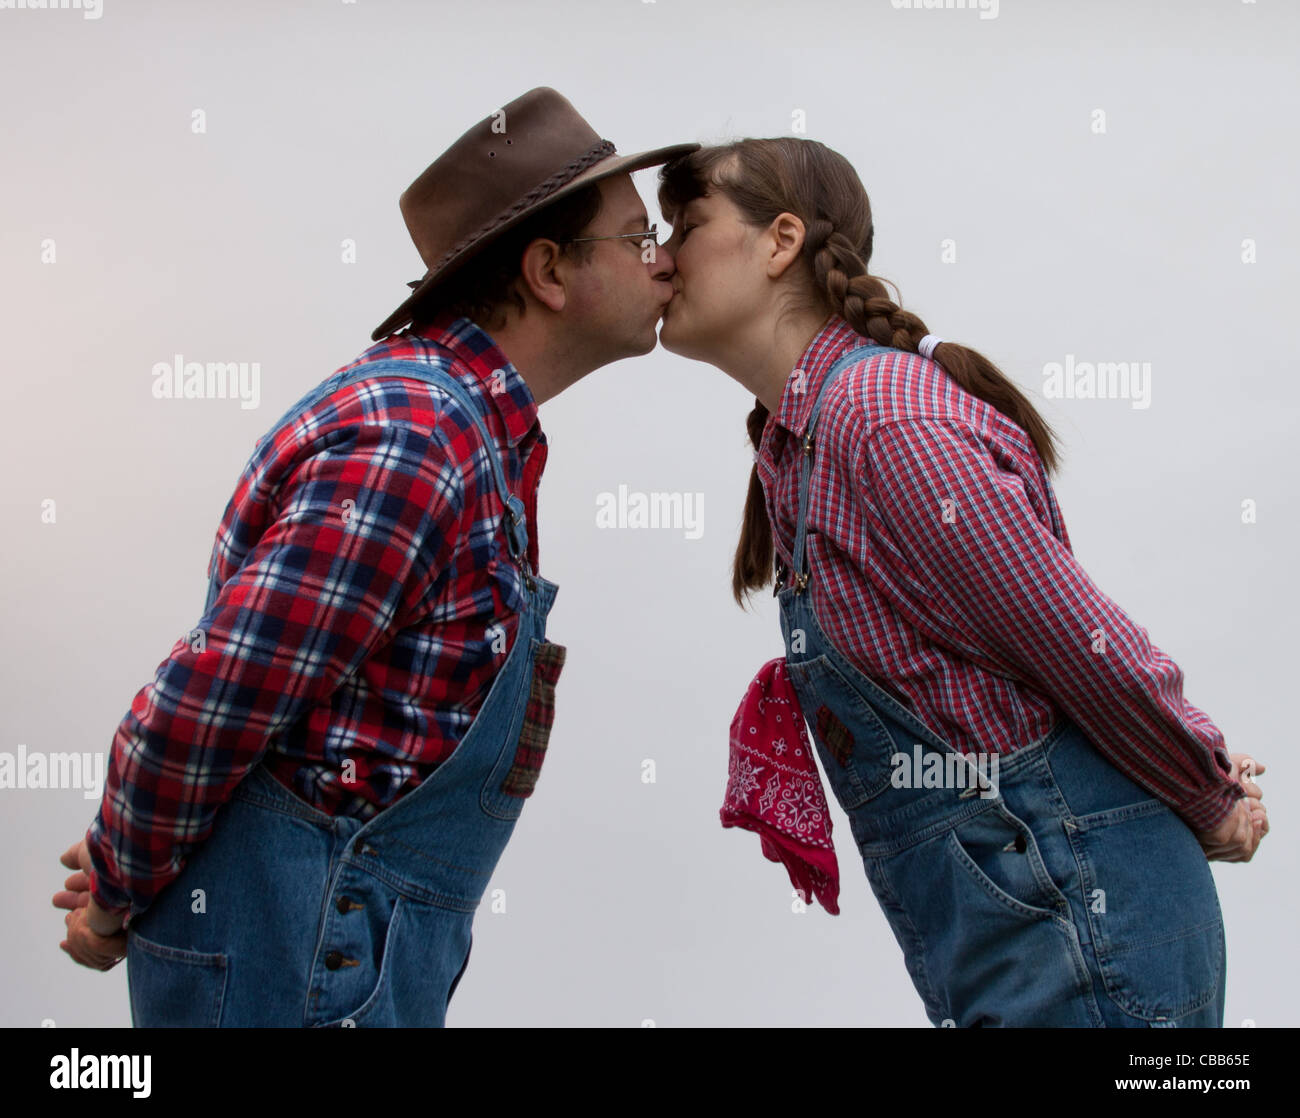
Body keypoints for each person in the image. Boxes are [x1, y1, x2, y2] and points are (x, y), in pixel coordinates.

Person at [51, 87, 696, 1027]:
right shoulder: (420, 439)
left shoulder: (470, 432)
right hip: (300, 974)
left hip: (336, 966)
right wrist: (112, 889)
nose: (666, 260)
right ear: (551, 270)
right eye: (639, 237)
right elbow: (207, 701)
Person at [655, 137, 1269, 1027]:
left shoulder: (880, 419)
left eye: (688, 223)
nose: (663, 255)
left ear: (779, 240)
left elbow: (1075, 636)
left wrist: (1206, 788)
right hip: (1023, 934)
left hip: (1083, 934)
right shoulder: (799, 442)